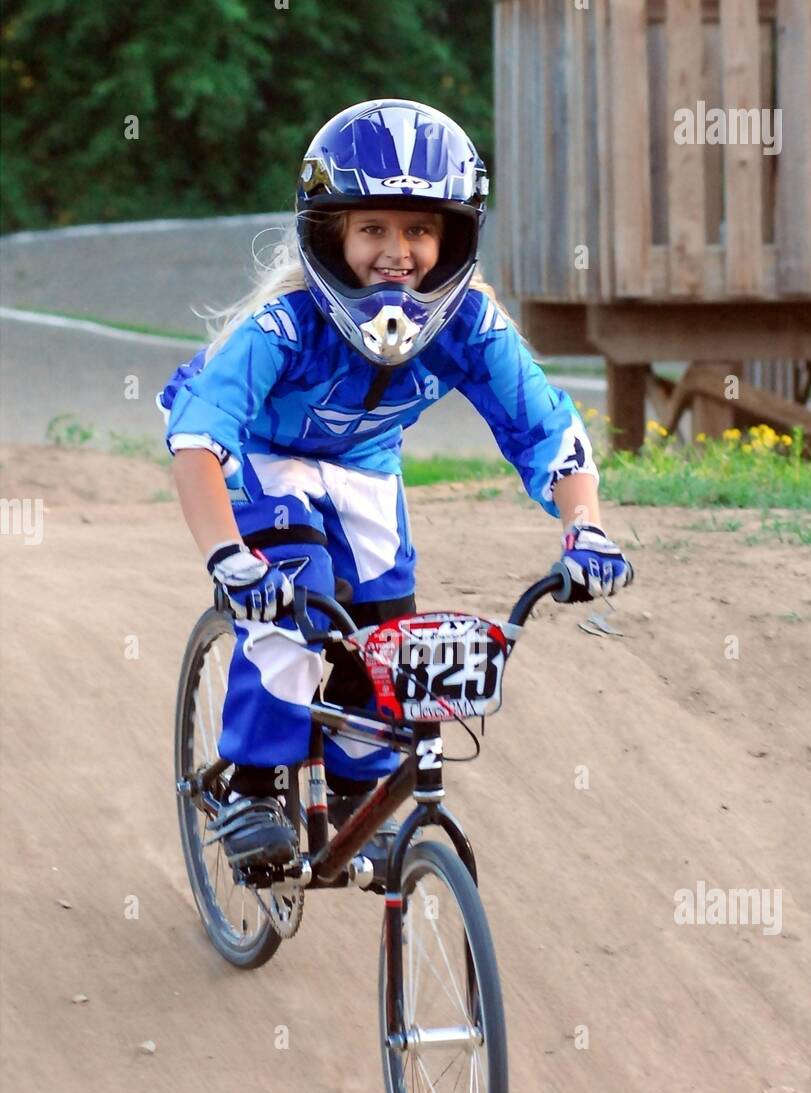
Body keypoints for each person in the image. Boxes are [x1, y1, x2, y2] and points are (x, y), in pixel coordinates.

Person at [159, 97, 633, 878]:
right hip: (259, 456)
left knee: (383, 643)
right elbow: (201, 440)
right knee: (295, 593)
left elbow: (547, 427)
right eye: (372, 228)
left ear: (453, 240)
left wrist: (586, 530)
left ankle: (357, 787)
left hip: (366, 467)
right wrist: (227, 557)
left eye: (419, 230)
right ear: (330, 235)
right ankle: (252, 784)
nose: (397, 251)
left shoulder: (470, 324)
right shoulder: (284, 325)